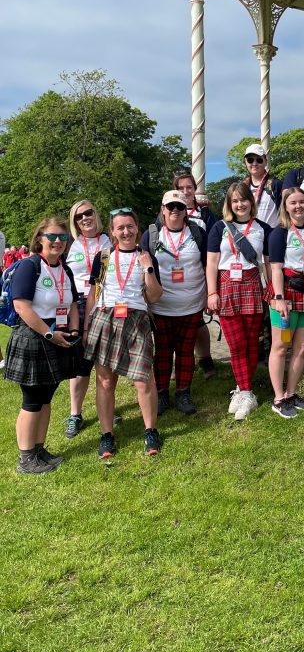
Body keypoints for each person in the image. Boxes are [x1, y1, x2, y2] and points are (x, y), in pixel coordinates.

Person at [83, 208, 163, 459]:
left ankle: (151, 430)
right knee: (105, 380)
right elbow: (93, 294)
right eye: (120, 228)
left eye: (130, 226)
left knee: (144, 379)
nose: (126, 231)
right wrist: (87, 326)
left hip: (137, 318)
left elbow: (155, 296)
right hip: (105, 317)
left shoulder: (146, 257)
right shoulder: (104, 256)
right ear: (113, 232)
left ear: (137, 228)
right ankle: (107, 435)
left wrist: (148, 269)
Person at [3, 217, 80, 474]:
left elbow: (71, 304)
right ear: (40, 239)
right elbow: (21, 306)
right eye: (52, 236)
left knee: (47, 397)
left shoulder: (65, 269)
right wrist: (49, 334)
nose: (58, 241)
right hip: (34, 338)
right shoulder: (29, 266)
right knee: (32, 399)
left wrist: (74, 330)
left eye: (63, 237)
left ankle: (39, 449)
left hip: (57, 337)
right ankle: (26, 459)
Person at [206, 182, 271, 420]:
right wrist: (212, 293)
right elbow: (212, 263)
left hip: (252, 284)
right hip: (226, 287)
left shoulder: (263, 228)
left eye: (243, 199)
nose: (240, 204)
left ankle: (245, 390)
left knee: (251, 341)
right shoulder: (219, 228)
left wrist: (272, 288)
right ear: (229, 204)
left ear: (250, 202)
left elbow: (268, 262)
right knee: (236, 343)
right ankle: (245, 390)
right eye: (235, 200)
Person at [141, 190, 207, 416]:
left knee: (186, 351)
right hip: (161, 306)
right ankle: (161, 393)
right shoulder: (151, 235)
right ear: (163, 210)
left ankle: (183, 392)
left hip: (192, 304)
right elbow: (141, 269)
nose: (176, 211)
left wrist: (210, 294)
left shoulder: (197, 233)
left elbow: (208, 264)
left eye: (180, 207)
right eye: (171, 207)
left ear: (186, 210)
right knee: (162, 352)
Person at [268, 187, 304, 418]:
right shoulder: (279, 233)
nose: (298, 206)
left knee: (301, 348)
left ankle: (291, 393)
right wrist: (279, 298)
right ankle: (278, 397)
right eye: (293, 203)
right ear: (286, 206)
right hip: (286, 297)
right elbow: (276, 268)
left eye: (302, 201)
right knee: (281, 346)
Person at [64, 200, 112, 438]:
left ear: (96, 213)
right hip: (79, 305)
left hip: (104, 304)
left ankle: (107, 408)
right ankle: (75, 413)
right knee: (81, 365)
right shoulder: (69, 246)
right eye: (78, 216)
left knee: (104, 363)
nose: (84, 218)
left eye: (88, 212)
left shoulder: (108, 240)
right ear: (75, 222)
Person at [173, 170, 217, 379]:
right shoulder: (168, 211)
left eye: (188, 187)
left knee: (198, 320)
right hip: (172, 275)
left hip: (198, 272)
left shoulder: (206, 214)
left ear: (194, 189)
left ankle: (205, 359)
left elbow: (215, 242)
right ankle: (179, 362)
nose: (185, 191)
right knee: (174, 321)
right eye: (180, 188)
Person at [243, 142, 282, 230]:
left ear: (265, 162)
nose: (254, 163)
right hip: (250, 234)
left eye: (259, 160)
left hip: (271, 235)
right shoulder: (243, 187)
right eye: (250, 160)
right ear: (245, 163)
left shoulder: (275, 184)